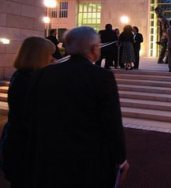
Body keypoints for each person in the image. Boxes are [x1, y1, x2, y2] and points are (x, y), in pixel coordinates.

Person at [24, 27, 128, 187]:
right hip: (87, 159)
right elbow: (111, 121)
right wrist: (120, 158)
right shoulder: (101, 76)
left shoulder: (43, 73)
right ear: (94, 49)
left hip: (48, 156)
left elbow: (31, 116)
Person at [1, 37, 55, 188]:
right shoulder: (29, 81)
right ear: (38, 56)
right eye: (49, 54)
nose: (52, 59)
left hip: (19, 143)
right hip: (26, 148)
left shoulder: (22, 76)